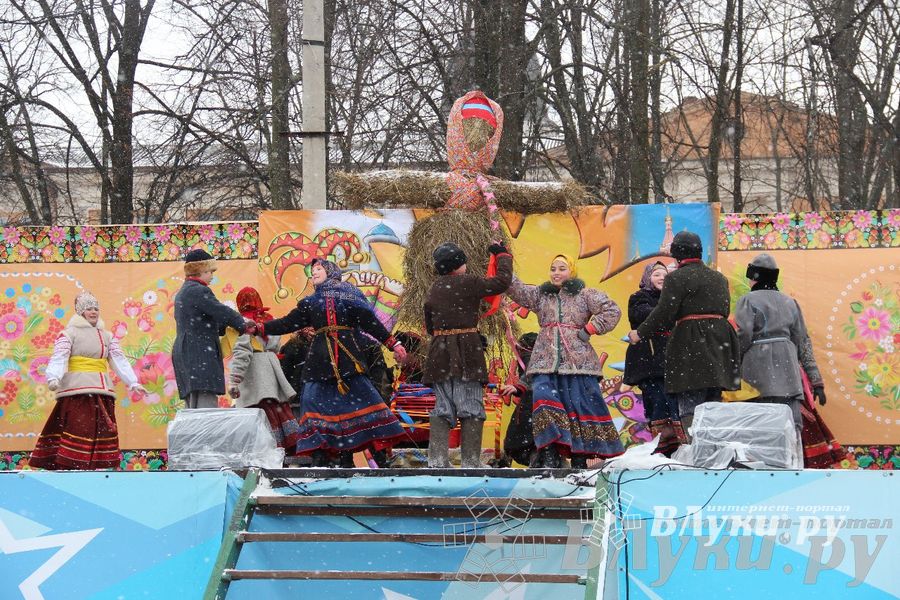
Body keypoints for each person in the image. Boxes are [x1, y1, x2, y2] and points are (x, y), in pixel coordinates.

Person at [257, 258, 407, 467]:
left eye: (318, 269)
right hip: (320, 362)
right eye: (312, 271)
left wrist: (394, 344)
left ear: (330, 270)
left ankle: (377, 458)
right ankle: (322, 458)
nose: (314, 273)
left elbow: (371, 323)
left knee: (365, 404)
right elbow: (287, 323)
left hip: (349, 361)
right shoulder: (310, 302)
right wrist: (261, 328)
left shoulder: (350, 296)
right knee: (314, 404)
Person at [508, 254, 624, 468]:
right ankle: (550, 453)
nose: (556, 273)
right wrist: (503, 260)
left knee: (578, 409)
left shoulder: (585, 294)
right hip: (545, 360)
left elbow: (612, 310)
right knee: (544, 403)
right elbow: (517, 290)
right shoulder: (541, 296)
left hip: (579, 363)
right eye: (553, 268)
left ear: (571, 270)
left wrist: (590, 329)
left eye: (562, 268)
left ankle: (580, 458)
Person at [628, 232, 740, 435]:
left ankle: (694, 448)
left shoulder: (676, 278)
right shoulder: (719, 278)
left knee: (689, 400)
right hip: (720, 341)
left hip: (691, 342)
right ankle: (713, 448)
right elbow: (723, 309)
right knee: (712, 399)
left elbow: (664, 312)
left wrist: (640, 333)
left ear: (677, 254)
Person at [29, 292, 147, 470]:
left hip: (101, 391)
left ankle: (95, 466)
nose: (93, 312)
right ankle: (72, 464)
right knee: (79, 428)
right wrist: (53, 376)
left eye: (96, 309)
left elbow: (118, 360)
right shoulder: (69, 334)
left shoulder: (106, 336)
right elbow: (59, 357)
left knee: (103, 429)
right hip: (78, 391)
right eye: (89, 309)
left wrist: (133, 382)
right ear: (80, 312)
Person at [423, 241, 513, 468]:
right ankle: (471, 462)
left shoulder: (435, 287)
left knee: (442, 406)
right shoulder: (469, 282)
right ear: (457, 265)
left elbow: (429, 325)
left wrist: (446, 334)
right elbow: (502, 282)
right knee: (471, 404)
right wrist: (501, 255)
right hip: (466, 352)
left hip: (438, 354)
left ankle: (437, 460)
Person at [734, 254, 825, 430]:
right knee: (789, 427)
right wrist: (816, 380)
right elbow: (802, 342)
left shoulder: (747, 300)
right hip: (788, 376)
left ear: (754, 277)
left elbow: (743, 336)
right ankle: (790, 457)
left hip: (756, 375)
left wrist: (732, 366)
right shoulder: (791, 303)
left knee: (758, 428)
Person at [172, 249, 254, 409]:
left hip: (187, 353)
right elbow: (219, 310)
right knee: (205, 409)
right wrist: (242, 323)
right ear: (200, 270)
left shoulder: (184, 292)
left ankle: (194, 434)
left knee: (193, 406)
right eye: (210, 271)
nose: (212, 276)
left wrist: (223, 326)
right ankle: (205, 434)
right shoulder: (198, 290)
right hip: (198, 353)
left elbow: (204, 320)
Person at [225, 287, 302, 452]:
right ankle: (286, 453)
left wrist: (234, 380)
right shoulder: (269, 320)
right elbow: (276, 346)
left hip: (254, 372)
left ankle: (267, 454)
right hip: (271, 370)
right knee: (277, 410)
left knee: (258, 415)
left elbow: (242, 353)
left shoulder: (242, 324)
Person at [623, 261, 685, 455]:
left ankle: (677, 448)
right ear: (647, 277)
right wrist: (667, 309)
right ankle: (661, 447)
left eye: (665, 275)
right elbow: (642, 316)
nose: (661, 278)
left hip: (670, 362)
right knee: (657, 402)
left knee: (675, 405)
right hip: (649, 361)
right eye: (657, 274)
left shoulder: (674, 299)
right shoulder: (639, 298)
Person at [501, 332, 539, 467]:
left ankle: (505, 464)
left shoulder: (530, 356)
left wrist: (519, 387)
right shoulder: (545, 357)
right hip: (536, 402)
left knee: (517, 439)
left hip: (531, 405)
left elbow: (530, 374)